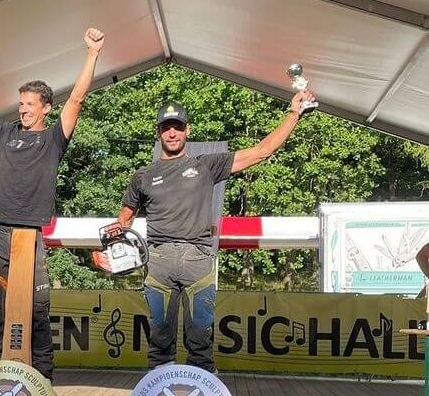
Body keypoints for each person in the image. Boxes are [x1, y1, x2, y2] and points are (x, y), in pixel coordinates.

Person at [117, 90, 315, 373]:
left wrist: (294, 113)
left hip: (198, 260)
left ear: (188, 130)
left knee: (201, 343)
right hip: (159, 262)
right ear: (158, 132)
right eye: (166, 127)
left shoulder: (206, 165)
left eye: (178, 127)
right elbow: (123, 221)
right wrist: (110, 255)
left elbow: (263, 151)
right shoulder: (142, 176)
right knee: (159, 344)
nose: (172, 133)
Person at [0, 28, 105, 381]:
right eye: (21, 104)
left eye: (30, 105)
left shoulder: (53, 139)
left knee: (38, 315)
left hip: (28, 236)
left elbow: (77, 100)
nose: (23, 109)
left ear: (45, 109)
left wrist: (92, 53)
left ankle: (43, 389)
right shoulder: (5, 133)